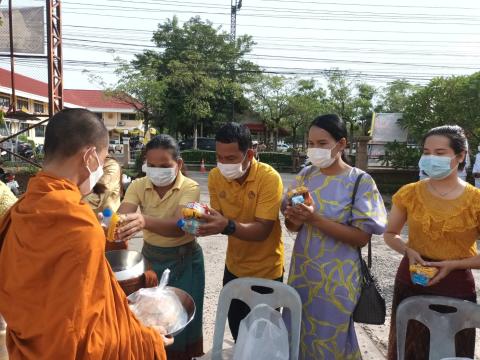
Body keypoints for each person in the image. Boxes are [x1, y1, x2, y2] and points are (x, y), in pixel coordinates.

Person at [0, 109, 168, 359]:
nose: (101, 168)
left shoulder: (19, 211)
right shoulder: (78, 223)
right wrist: (146, 338)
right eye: (102, 159)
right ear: (90, 157)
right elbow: (85, 333)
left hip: (27, 348)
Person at [283, 114, 387, 360]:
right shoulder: (306, 175)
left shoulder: (359, 181)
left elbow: (361, 238)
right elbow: (293, 226)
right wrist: (294, 218)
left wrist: (314, 219)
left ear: (341, 144)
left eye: (322, 143)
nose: (314, 149)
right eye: (310, 143)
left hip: (338, 278)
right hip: (303, 272)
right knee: (297, 333)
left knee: (332, 338)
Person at [384, 125, 480, 360]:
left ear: (460, 156)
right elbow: (390, 234)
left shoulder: (476, 201)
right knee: (408, 348)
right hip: (412, 281)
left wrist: (452, 265)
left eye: (439, 153)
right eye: (426, 152)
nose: (430, 158)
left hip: (456, 287)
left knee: (452, 351)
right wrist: (407, 250)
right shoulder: (409, 193)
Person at [116, 134, 204, 360]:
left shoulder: (191, 187)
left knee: (179, 323)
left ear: (179, 164)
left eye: (164, 166)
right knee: (150, 320)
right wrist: (112, 223)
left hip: (184, 261)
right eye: (151, 165)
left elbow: (181, 227)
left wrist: (144, 221)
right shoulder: (138, 185)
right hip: (151, 260)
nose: (157, 171)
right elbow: (123, 215)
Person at [197, 122, 284, 341]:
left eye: (231, 158)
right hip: (234, 267)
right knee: (238, 331)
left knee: (264, 338)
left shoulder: (269, 178)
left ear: (249, 154)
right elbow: (216, 215)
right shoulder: (216, 176)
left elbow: (263, 230)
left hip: (267, 271)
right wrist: (199, 221)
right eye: (219, 157)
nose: (223, 164)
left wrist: (226, 225)